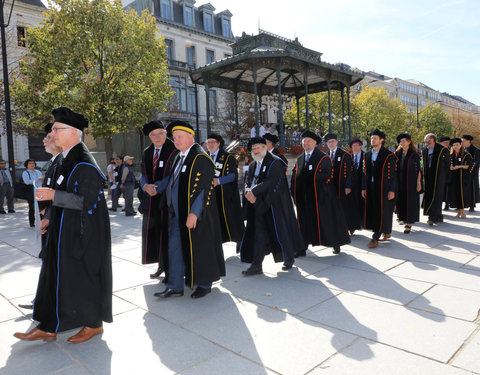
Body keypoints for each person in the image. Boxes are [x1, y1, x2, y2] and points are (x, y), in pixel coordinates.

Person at [14, 106, 112, 343]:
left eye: (57, 129)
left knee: (83, 278)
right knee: (60, 279)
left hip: (82, 234)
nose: (53, 133)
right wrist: (49, 216)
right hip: (64, 230)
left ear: (73, 133)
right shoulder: (65, 160)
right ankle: (50, 325)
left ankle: (93, 324)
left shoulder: (84, 164)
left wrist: (52, 196)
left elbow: (87, 202)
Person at [153, 121, 225, 299]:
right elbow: (172, 180)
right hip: (176, 214)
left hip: (196, 215)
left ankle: (205, 283)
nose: (176, 140)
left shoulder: (200, 158)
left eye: (180, 137)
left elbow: (204, 187)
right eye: (174, 137)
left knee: (201, 248)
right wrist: (157, 187)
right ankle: (175, 285)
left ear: (191, 136)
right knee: (175, 249)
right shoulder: (179, 157)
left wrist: (194, 212)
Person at [239, 137, 304, 275]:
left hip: (273, 204)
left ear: (265, 148)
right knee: (258, 234)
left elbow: (270, 182)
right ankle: (256, 265)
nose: (255, 151)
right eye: (253, 149)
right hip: (256, 205)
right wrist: (247, 191)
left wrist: (253, 191)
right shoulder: (252, 165)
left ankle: (289, 257)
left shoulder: (275, 162)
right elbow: (247, 181)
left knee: (280, 232)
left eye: (258, 148)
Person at [291, 131, 350, 255]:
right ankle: (302, 248)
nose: (305, 143)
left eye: (308, 141)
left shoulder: (323, 158)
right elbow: (295, 176)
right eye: (304, 141)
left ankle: (335, 243)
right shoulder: (300, 158)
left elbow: (327, 175)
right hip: (305, 198)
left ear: (314, 143)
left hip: (322, 197)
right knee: (304, 222)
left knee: (326, 222)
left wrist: (311, 179)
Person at [140, 120, 177, 279]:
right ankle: (161, 265)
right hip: (151, 201)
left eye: (159, 133)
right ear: (149, 137)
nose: (157, 137)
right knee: (155, 235)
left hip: (168, 200)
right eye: (153, 135)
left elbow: (174, 174)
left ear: (165, 133)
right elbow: (142, 174)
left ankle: (172, 269)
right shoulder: (147, 152)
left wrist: (157, 188)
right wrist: (145, 186)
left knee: (169, 236)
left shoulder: (174, 149)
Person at [206, 132, 245, 244]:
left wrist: (218, 181)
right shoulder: (205, 157)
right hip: (212, 196)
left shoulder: (228, 157)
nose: (210, 144)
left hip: (226, 196)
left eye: (212, 142)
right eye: (208, 142)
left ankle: (241, 244)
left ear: (219, 144)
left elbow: (233, 175)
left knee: (232, 221)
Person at [362, 129, 397, 248]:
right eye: (372, 138)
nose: (373, 140)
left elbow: (393, 174)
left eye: (375, 138)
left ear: (381, 140)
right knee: (374, 210)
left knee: (383, 210)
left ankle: (375, 237)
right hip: (371, 188)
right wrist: (363, 188)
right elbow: (364, 173)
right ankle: (386, 231)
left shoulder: (388, 155)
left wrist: (392, 190)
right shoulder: (367, 154)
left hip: (384, 188)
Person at [324, 133, 355, 235]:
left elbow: (350, 172)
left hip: (342, 186)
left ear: (337, 142)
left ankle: (347, 226)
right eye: (329, 142)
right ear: (326, 144)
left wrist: (348, 185)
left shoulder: (344, 155)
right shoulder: (326, 155)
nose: (331, 143)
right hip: (330, 187)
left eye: (333, 141)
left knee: (344, 207)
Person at [395, 133, 422, 234]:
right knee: (401, 201)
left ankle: (409, 223)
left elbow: (418, 170)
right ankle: (402, 218)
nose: (402, 143)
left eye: (404, 141)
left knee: (410, 202)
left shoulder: (414, 154)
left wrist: (418, 182)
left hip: (411, 183)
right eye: (401, 141)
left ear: (409, 142)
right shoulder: (397, 154)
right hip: (400, 182)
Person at [421, 133, 450, 226]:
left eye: (427, 139)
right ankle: (438, 216)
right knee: (429, 196)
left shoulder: (442, 149)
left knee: (437, 196)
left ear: (432, 139)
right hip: (428, 177)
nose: (425, 140)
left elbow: (447, 164)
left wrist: (446, 177)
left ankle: (432, 217)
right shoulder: (425, 150)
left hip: (439, 177)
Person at [448, 138, 474, 218]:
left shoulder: (466, 155)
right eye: (453, 145)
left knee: (462, 194)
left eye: (457, 145)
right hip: (454, 178)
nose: (455, 146)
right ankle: (459, 211)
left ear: (460, 145)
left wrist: (458, 166)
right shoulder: (451, 155)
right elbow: (448, 165)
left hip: (463, 178)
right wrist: (451, 167)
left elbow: (468, 166)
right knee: (455, 194)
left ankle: (462, 211)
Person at [349, 138, 365, 234]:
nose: (354, 147)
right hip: (352, 186)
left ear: (360, 146)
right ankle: (354, 224)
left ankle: (363, 222)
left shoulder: (365, 156)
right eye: (353, 146)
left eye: (356, 145)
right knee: (352, 205)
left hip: (363, 185)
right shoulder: (349, 157)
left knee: (362, 204)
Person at [22, 159, 44, 227]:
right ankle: (32, 222)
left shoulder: (38, 171)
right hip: (31, 191)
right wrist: (38, 179)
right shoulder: (25, 173)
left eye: (33, 163)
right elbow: (27, 182)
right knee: (32, 207)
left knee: (41, 206)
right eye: (30, 163)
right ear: (27, 165)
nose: (32, 164)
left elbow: (42, 181)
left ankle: (42, 221)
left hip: (40, 191)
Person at [461, 135, 480, 212]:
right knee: (463, 189)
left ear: (468, 141)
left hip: (472, 173)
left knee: (471, 189)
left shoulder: (476, 150)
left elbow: (476, 162)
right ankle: (462, 204)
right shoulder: (462, 149)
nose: (462, 142)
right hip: (463, 172)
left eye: (463, 140)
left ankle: (472, 205)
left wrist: (469, 168)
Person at [438, 136, 451, 211]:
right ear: (440, 143)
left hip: (449, 172)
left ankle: (447, 204)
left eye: (448, 143)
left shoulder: (450, 150)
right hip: (440, 174)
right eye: (445, 142)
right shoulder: (438, 150)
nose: (447, 144)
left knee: (447, 190)